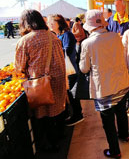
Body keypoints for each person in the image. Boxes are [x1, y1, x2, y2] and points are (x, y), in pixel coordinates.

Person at [80, 10, 129, 159]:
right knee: (121, 111)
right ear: (103, 23)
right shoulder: (115, 36)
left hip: (104, 87)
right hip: (122, 81)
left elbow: (84, 68)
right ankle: (124, 136)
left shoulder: (87, 43)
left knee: (108, 120)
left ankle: (115, 151)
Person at [15, 9, 66, 151]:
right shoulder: (53, 37)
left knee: (43, 113)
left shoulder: (25, 41)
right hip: (58, 79)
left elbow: (19, 67)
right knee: (57, 109)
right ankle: (60, 135)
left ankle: (51, 144)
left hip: (40, 83)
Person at [48, 14, 84, 126]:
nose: (50, 25)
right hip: (65, 69)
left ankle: (78, 115)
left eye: (52, 23)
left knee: (73, 94)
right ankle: (75, 114)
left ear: (59, 23)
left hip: (70, 69)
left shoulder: (67, 35)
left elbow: (67, 51)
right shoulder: (58, 35)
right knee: (69, 93)